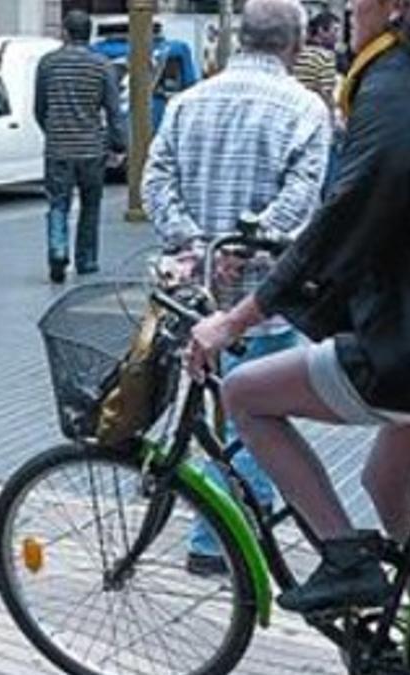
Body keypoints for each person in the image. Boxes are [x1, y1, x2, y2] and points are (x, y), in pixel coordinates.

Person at [186, 0, 410, 613]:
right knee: (388, 483)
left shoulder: (397, 85)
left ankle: (344, 560)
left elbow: (349, 213)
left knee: (244, 393)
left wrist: (235, 318)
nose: (350, 6)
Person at [142, 0, 332, 575]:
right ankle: (221, 538)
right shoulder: (305, 108)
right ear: (295, 46)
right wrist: (245, 249)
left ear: (239, 39)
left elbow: (155, 180)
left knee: (212, 414)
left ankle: (235, 522)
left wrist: (198, 247)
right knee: (257, 420)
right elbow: (302, 201)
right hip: (262, 302)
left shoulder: (188, 101)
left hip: (194, 300)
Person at [34, 10, 126, 284]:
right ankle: (86, 259)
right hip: (91, 149)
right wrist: (118, 144)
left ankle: (58, 250)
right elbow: (113, 111)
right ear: (89, 33)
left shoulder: (48, 64)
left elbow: (39, 108)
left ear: (65, 31)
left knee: (57, 203)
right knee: (90, 206)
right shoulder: (102, 65)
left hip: (58, 148)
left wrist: (52, 131)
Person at [294, 10, 342, 194]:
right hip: (317, 118)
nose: (338, 35)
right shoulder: (326, 57)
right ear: (321, 31)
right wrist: (332, 123)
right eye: (334, 30)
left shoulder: (297, 54)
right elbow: (326, 93)